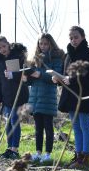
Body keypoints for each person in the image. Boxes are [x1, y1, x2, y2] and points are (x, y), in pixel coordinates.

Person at [56, 26, 89, 169]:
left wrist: (71, 79)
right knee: (76, 127)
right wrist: (58, 79)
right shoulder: (67, 55)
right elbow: (63, 72)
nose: (73, 40)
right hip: (70, 96)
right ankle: (78, 155)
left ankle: (85, 158)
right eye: (71, 38)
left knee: (85, 125)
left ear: (83, 37)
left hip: (83, 95)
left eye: (76, 37)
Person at [26, 33, 64, 163]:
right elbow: (32, 80)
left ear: (51, 44)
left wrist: (39, 74)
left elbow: (56, 77)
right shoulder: (34, 60)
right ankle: (38, 152)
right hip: (35, 98)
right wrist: (26, 79)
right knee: (38, 128)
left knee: (48, 127)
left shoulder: (56, 59)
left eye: (46, 44)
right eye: (41, 43)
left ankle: (47, 154)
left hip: (48, 97)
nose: (43, 46)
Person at [0, 36, 29, 159]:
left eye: (3, 46)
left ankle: (15, 149)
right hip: (6, 96)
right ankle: (9, 148)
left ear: (8, 44)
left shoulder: (15, 57)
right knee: (8, 123)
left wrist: (12, 75)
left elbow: (22, 75)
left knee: (14, 121)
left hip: (18, 94)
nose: (2, 49)